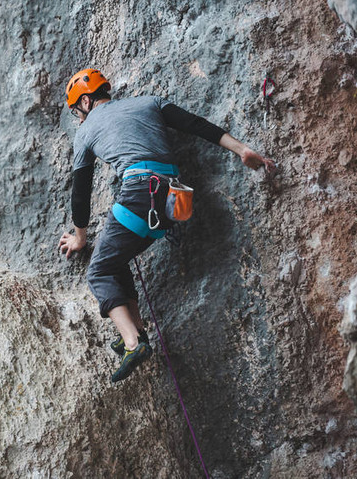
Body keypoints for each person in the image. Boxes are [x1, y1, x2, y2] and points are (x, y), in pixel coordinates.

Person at [57, 68, 276, 383]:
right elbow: (196, 125)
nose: (80, 119)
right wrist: (242, 150)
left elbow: (81, 193)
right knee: (115, 258)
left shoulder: (87, 130)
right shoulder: (148, 102)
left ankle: (132, 344)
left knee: (100, 270)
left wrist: (79, 237)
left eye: (78, 111)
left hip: (139, 194)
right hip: (175, 201)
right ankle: (137, 331)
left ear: (87, 100)